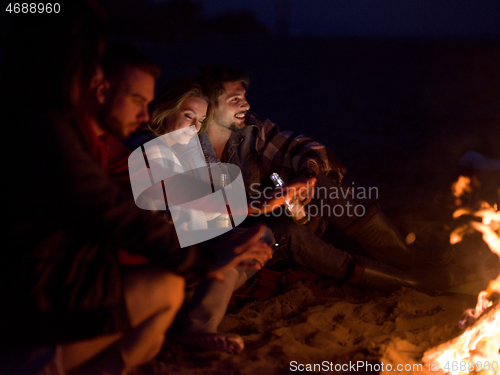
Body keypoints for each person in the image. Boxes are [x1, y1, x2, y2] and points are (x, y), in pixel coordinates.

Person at [0, 9, 271, 375]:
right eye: (94, 66)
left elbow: (162, 192)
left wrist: (241, 204)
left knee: (245, 241)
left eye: (200, 119)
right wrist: (204, 259)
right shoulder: (50, 133)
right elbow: (120, 212)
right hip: (41, 292)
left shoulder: (99, 140)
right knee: (175, 283)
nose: (99, 81)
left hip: (76, 270)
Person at [196, 64, 473, 295]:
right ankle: (410, 283)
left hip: (275, 214)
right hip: (241, 240)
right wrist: (260, 205)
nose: (245, 105)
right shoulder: (190, 152)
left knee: (321, 185)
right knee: (290, 233)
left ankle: (407, 261)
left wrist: (307, 176)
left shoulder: (248, 130)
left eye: (244, 96)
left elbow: (299, 147)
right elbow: (197, 222)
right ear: (209, 107)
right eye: (235, 100)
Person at [125, 78, 316, 354]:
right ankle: (198, 326)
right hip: (156, 239)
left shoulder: (184, 148)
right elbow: (178, 206)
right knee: (243, 242)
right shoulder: (147, 146)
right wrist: (250, 208)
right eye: (188, 116)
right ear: (165, 111)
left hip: (183, 232)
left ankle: (195, 296)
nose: (195, 127)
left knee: (261, 238)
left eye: (201, 120)